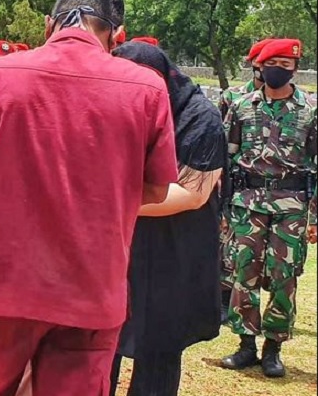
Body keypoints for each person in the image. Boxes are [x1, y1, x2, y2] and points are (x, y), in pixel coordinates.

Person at [0, 0, 178, 396]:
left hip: (3, 284)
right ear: (117, 36)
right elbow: (157, 190)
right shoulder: (147, 88)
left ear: (50, 24)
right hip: (91, 290)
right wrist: (97, 194)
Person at [109, 42, 226, 396]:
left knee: (159, 347)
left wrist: (107, 203)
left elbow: (192, 193)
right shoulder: (111, 103)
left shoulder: (199, 118)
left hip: (174, 245)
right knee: (100, 344)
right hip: (119, 244)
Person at [221, 38, 317, 378]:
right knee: (243, 273)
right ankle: (246, 345)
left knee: (284, 277)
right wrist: (222, 210)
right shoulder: (241, 106)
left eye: (286, 66)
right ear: (260, 66)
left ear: (295, 69)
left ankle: (273, 348)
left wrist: (315, 216)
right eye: (272, 65)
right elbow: (226, 159)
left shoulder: (310, 111)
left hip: (291, 206)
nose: (279, 71)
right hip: (247, 204)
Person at [217, 37, 274, 323]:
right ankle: (224, 301)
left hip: (273, 194)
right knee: (229, 245)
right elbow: (220, 141)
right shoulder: (233, 98)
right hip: (236, 186)